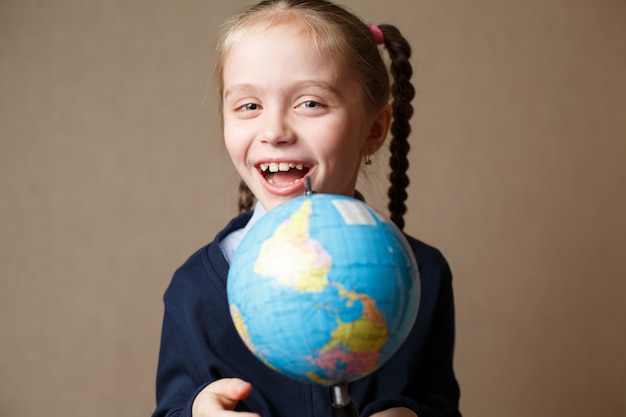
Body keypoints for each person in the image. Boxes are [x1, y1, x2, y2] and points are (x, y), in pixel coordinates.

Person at [152, 1, 461, 416]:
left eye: (311, 103)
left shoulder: (425, 275)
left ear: (374, 130)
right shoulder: (194, 290)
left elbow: (437, 400)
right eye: (248, 106)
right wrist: (196, 411)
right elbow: (171, 408)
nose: (275, 131)